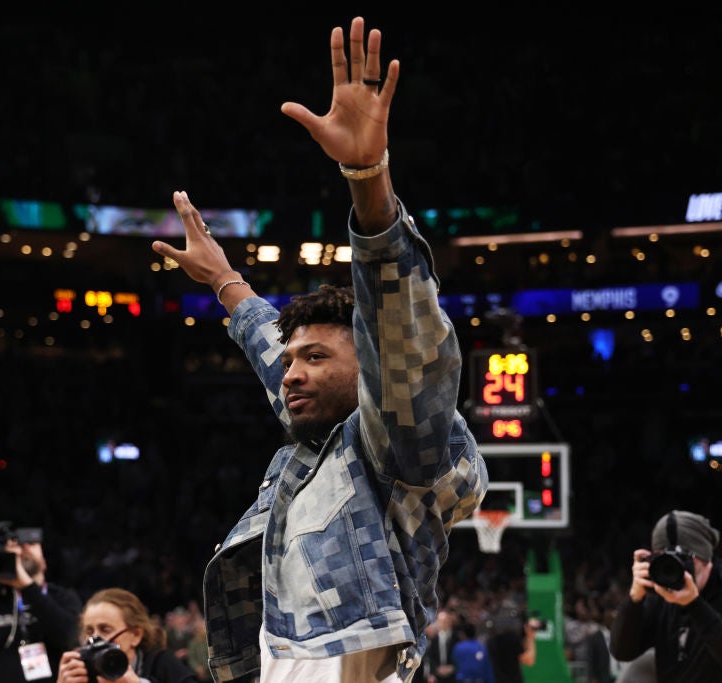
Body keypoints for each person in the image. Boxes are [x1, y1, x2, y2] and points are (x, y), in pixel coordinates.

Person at [150, 16, 487, 683]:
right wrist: (225, 281)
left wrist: (368, 179)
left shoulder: (395, 443)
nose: (293, 372)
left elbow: (400, 330)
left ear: (370, 375)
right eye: (293, 359)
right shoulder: (311, 444)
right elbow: (268, 346)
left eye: (316, 358)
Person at [608, 510, 722, 682]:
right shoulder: (660, 585)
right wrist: (634, 600)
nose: (676, 572)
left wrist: (695, 605)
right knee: (638, 668)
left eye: (685, 561)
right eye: (665, 561)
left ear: (706, 560)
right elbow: (622, 652)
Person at [0, 527, 82, 683]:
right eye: (15, 546)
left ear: (44, 561)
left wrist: (27, 586)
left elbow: (70, 638)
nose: (22, 549)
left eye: (31, 544)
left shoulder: (63, 597)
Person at [55, 587, 198, 683]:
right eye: (89, 631)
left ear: (135, 635)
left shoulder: (161, 664)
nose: (95, 639)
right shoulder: (83, 672)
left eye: (105, 630)